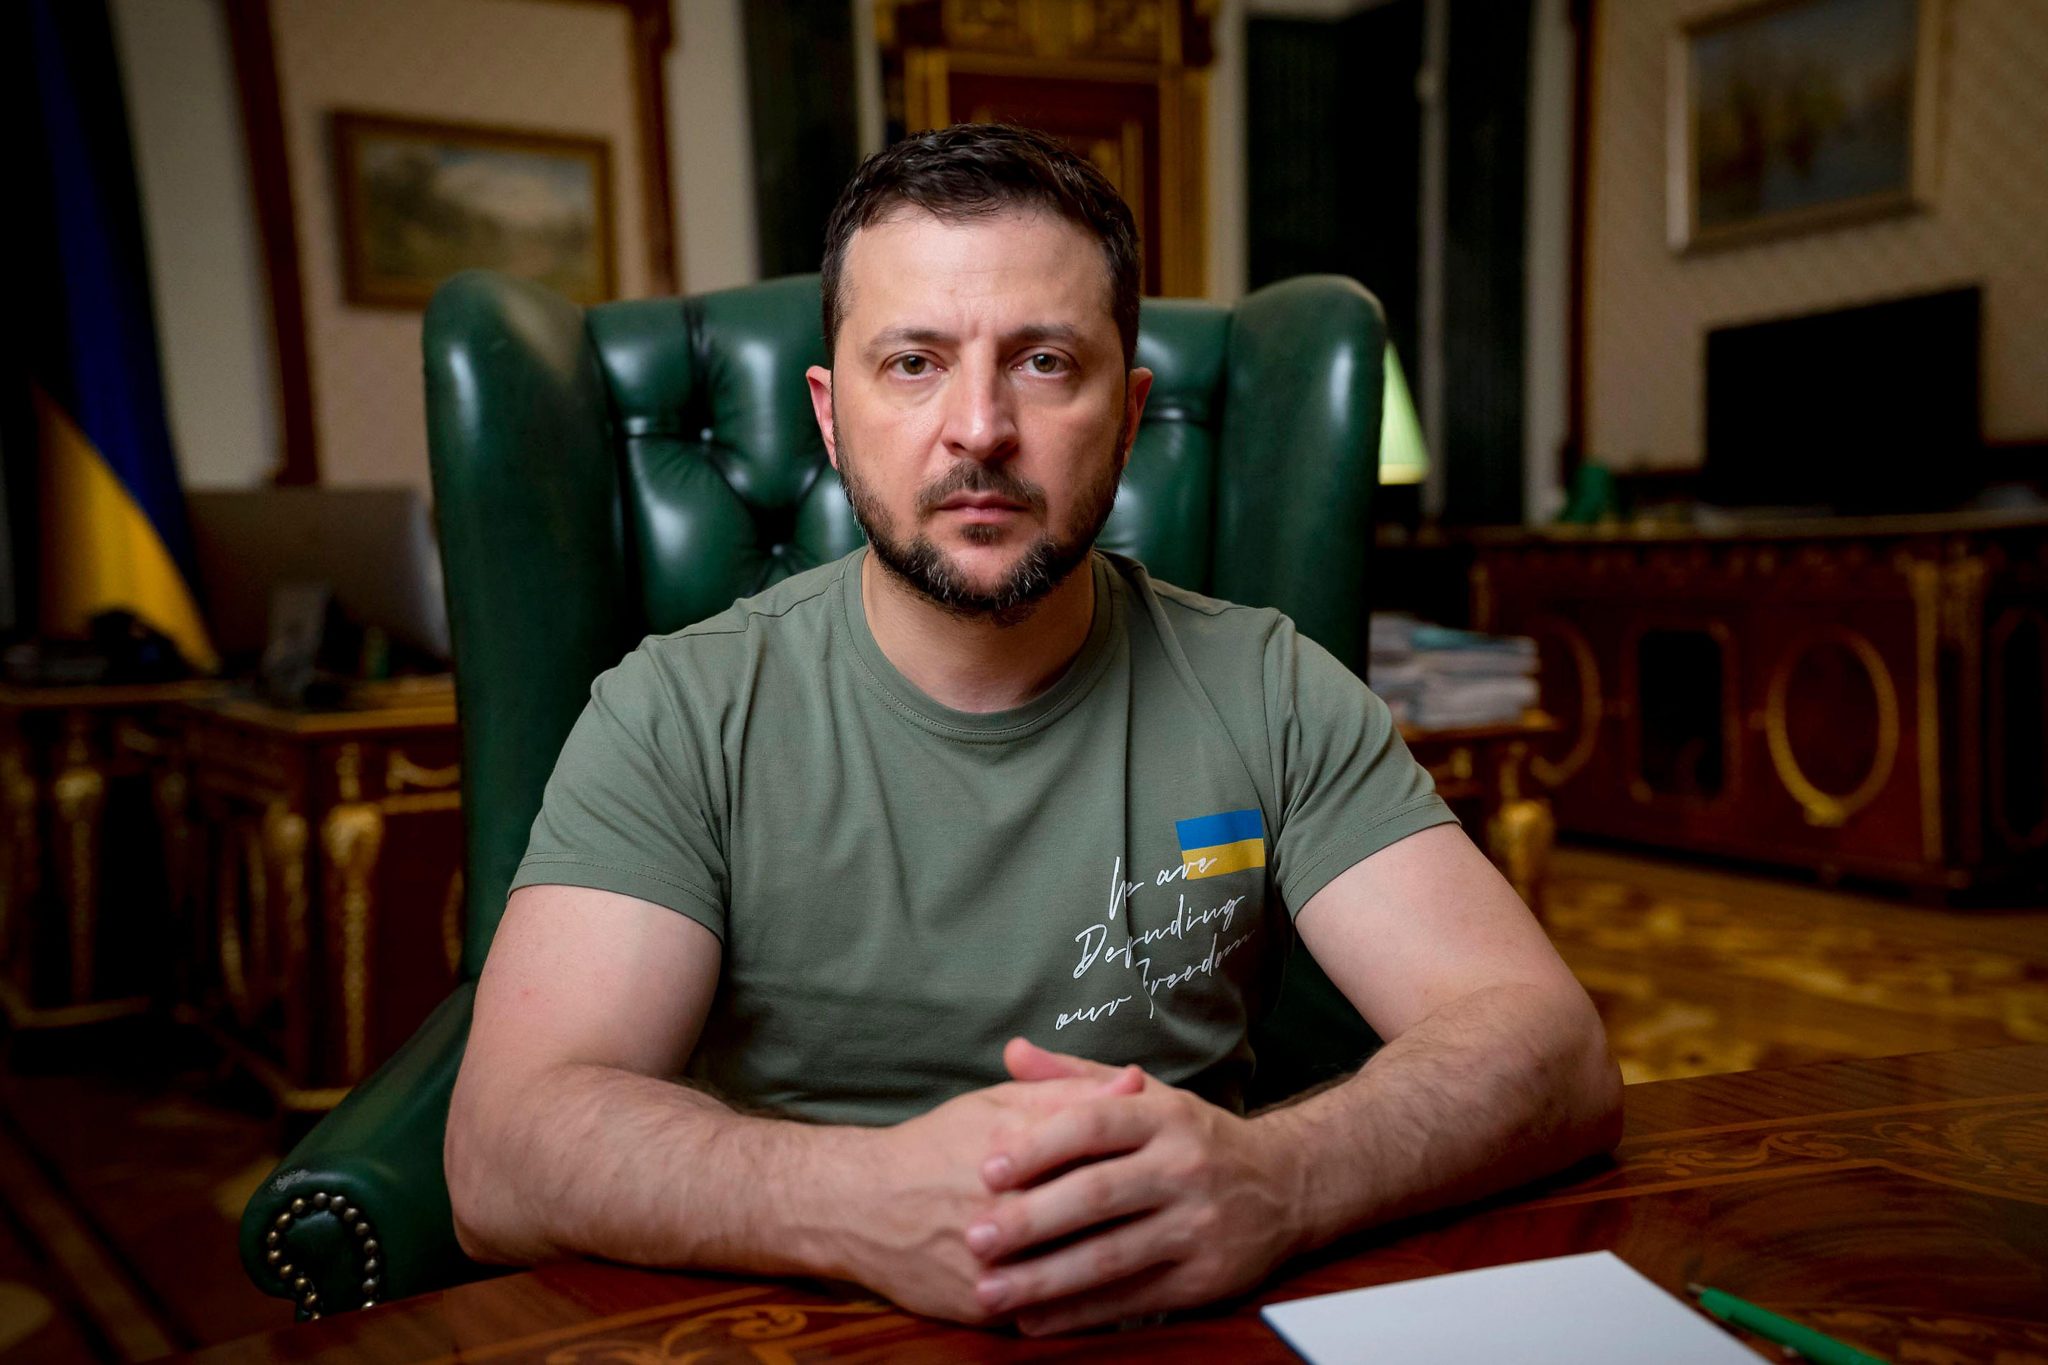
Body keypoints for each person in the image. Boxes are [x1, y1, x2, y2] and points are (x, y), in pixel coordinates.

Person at [444, 123, 1621, 1337]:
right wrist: (851, 1200)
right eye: (912, 362)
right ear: (830, 416)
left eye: (1045, 361)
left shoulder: (1268, 683)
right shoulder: (676, 711)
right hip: (802, 1322)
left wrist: (1280, 1178)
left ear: (1129, 414)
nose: (978, 428)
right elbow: (499, 1152)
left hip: (1189, 1321)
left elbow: (1552, 1048)